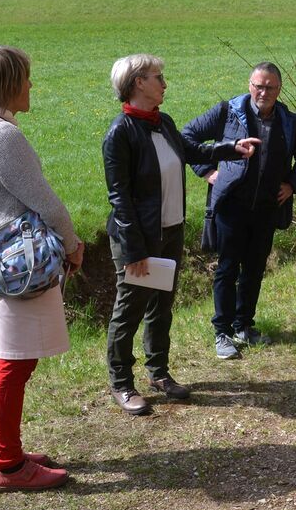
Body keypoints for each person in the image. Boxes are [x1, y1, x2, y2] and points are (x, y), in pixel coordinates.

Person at [0, 44, 83, 491]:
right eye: (26, 77)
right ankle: (8, 465)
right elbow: (45, 201)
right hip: (23, 266)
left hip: (2, 262)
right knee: (14, 364)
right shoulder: (0, 136)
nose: (31, 85)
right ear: (9, 84)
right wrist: (73, 245)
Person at [102, 54, 257, 415]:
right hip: (138, 239)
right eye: (158, 77)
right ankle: (121, 383)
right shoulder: (120, 133)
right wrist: (134, 249)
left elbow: (192, 151)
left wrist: (231, 149)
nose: (164, 83)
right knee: (129, 310)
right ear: (138, 83)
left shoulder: (163, 122)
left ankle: (158, 373)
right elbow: (119, 197)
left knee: (161, 307)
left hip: (170, 231)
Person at [183, 62, 296, 359]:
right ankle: (222, 332)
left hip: (267, 209)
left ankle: (244, 326)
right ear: (249, 85)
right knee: (227, 267)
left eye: (270, 87)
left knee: (255, 269)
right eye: (258, 86)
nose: (263, 92)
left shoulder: (290, 122)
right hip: (231, 206)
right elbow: (187, 137)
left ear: (279, 90)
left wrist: (292, 185)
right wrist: (207, 171)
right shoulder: (227, 112)